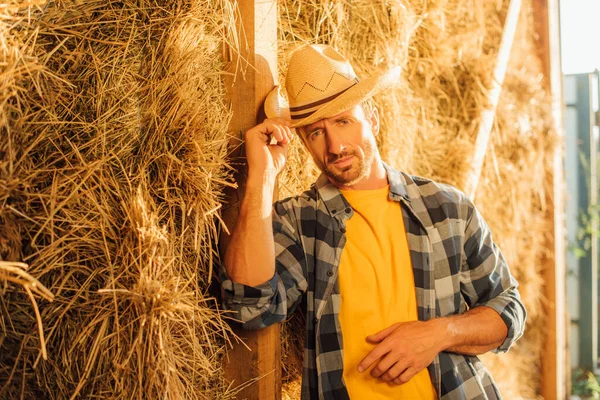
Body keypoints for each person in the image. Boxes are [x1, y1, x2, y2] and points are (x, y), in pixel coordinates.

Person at [220, 44, 526, 400]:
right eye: (316, 132)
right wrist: (261, 178)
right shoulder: (301, 221)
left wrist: (440, 333)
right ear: (302, 142)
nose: (334, 147)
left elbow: (509, 310)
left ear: (373, 118)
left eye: (343, 121)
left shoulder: (447, 208)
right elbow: (248, 306)